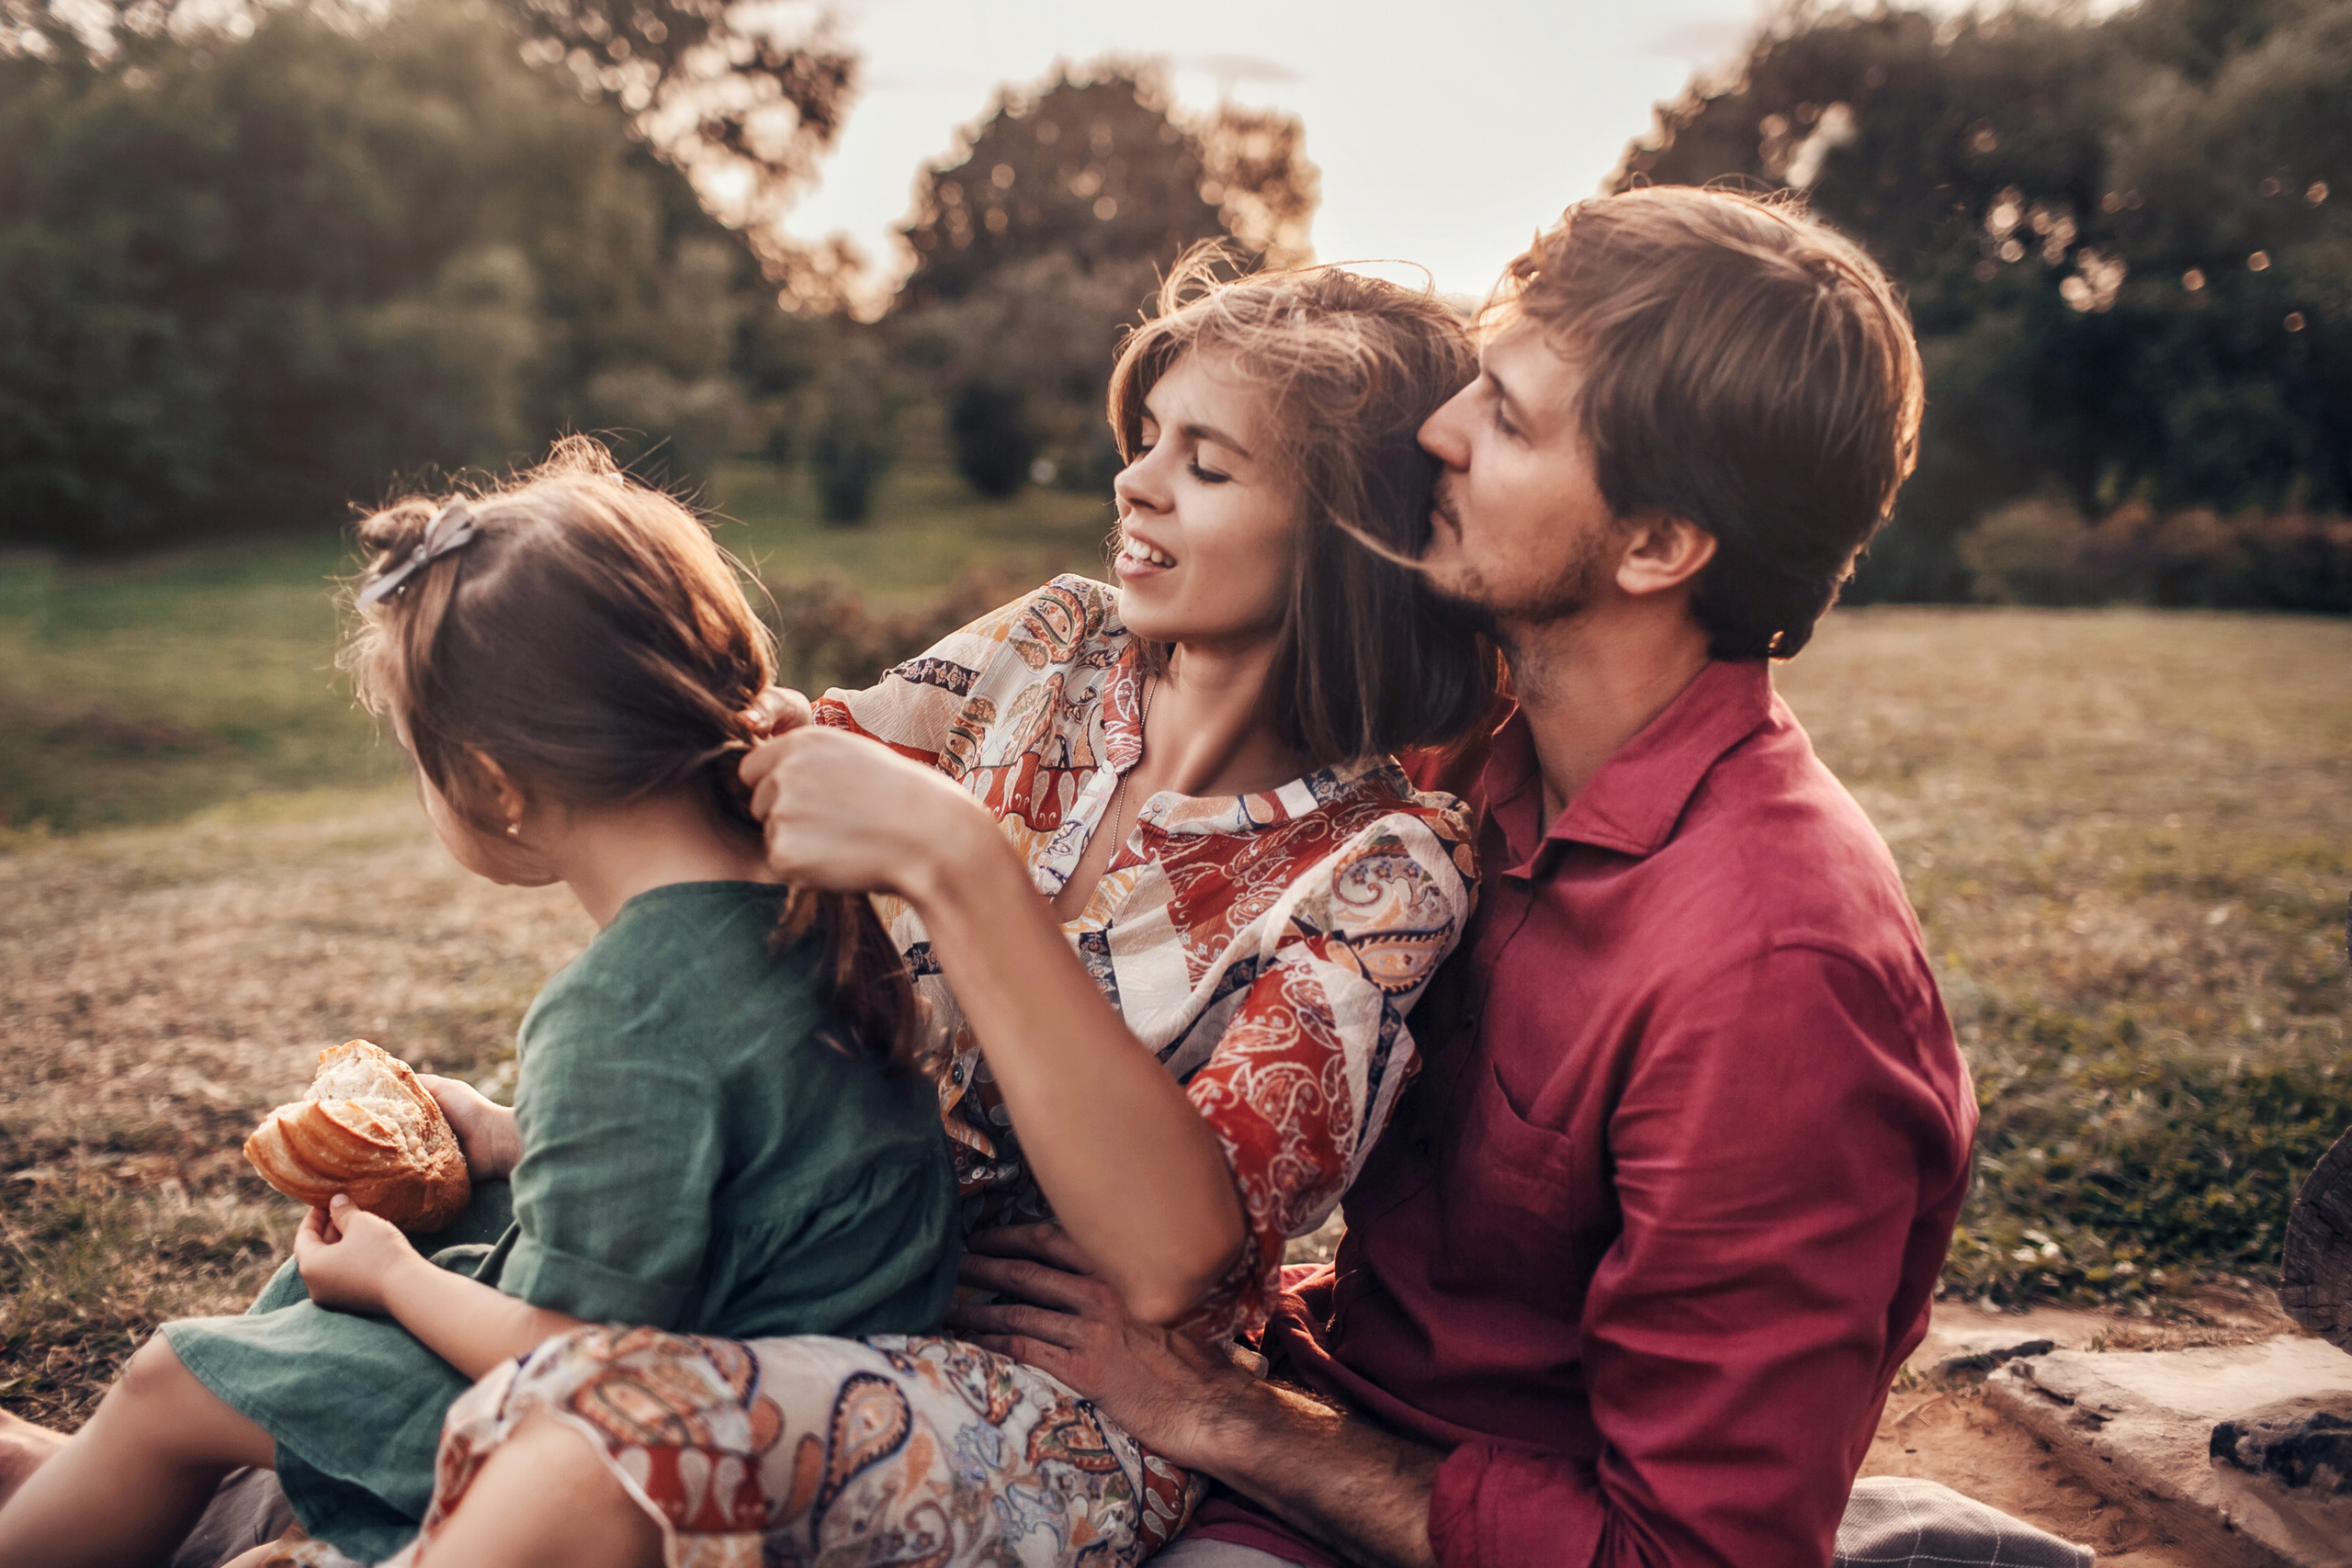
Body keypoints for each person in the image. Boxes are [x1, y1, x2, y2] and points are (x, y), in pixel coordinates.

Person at [112, 259, 1501, 1568]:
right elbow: (744, 783)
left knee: (601, 1402)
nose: (1134, 481)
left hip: (1049, 1393)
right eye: (1145, 437)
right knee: (402, 1255)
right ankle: (150, 1482)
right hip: (814, 1241)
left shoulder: (1386, 865)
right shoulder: (1057, 643)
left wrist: (957, 863)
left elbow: (1172, 1253)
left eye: (1204, 463)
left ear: (1346, 540)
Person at [953, 186, 1997, 1568]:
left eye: (1505, 418)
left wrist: (1230, 1415)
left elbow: (1692, 1556)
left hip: (1387, 1507)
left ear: (1657, 545)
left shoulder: (1774, 975)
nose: (1438, 430)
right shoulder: (1462, 767)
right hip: (1302, 1396)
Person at [0, 441, 963, 1568]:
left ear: (497, 785)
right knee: (410, 1234)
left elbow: (572, 1353)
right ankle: (114, 1484)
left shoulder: (621, 1004)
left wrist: (391, 1279)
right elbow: (747, 1160)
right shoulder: (811, 903)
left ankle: (100, 1492)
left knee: (173, 1373)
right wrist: (511, 1139)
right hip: (794, 1354)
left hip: (670, 1436)